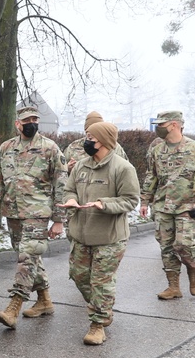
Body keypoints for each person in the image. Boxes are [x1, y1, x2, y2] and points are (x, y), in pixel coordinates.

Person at [58, 122, 140, 345]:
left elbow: (131, 200)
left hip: (109, 238)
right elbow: (69, 189)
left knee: (100, 282)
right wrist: (71, 200)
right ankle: (102, 309)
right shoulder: (81, 166)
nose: (86, 141)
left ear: (103, 140)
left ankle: (97, 324)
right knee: (79, 276)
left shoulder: (122, 168)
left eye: (90, 137)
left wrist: (104, 204)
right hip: (81, 234)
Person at [0, 106, 66, 329]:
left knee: (27, 257)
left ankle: (14, 305)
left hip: (38, 213)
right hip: (13, 212)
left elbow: (61, 184)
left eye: (35, 119)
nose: (32, 123)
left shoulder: (49, 148)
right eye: (27, 120)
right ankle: (44, 300)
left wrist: (59, 219)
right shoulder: (6, 148)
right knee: (28, 258)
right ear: (17, 124)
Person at [139, 110, 195, 300]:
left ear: (174, 125)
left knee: (183, 244)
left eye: (161, 125)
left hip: (188, 206)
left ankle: (193, 270)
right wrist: (145, 200)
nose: (158, 129)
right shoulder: (157, 150)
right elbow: (152, 176)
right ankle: (173, 286)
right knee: (166, 247)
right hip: (163, 206)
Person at [63, 111, 127, 173]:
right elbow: (61, 171)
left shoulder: (113, 146)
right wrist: (67, 169)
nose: (93, 133)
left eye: (96, 131)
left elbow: (125, 169)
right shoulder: (74, 147)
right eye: (89, 131)